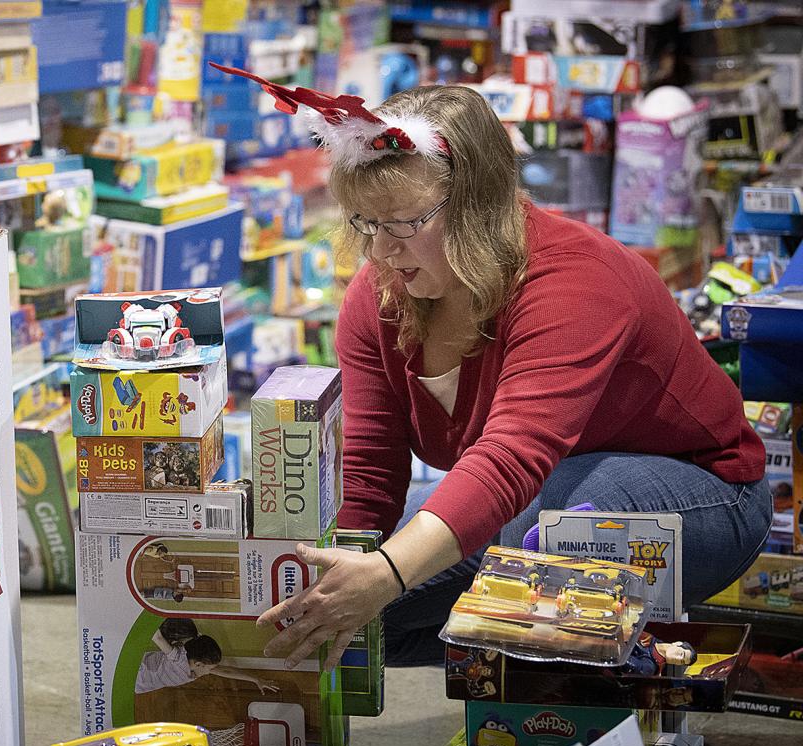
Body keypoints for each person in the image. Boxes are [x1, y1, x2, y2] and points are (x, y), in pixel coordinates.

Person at [210, 65, 772, 670]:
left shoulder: (576, 282)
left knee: (536, 526)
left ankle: (549, 670)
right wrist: (341, 579)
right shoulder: (383, 295)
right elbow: (371, 469)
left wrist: (390, 573)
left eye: (402, 224)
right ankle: (522, 661)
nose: (379, 251)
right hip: (537, 497)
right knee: (342, 614)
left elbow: (511, 458)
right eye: (365, 224)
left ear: (477, 207)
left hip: (708, 497)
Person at [135, 622, 279, 695]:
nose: (212, 670)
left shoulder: (196, 668)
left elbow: (227, 671)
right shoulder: (178, 658)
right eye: (209, 668)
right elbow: (157, 637)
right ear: (198, 664)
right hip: (135, 673)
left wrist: (255, 679)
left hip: (138, 686)